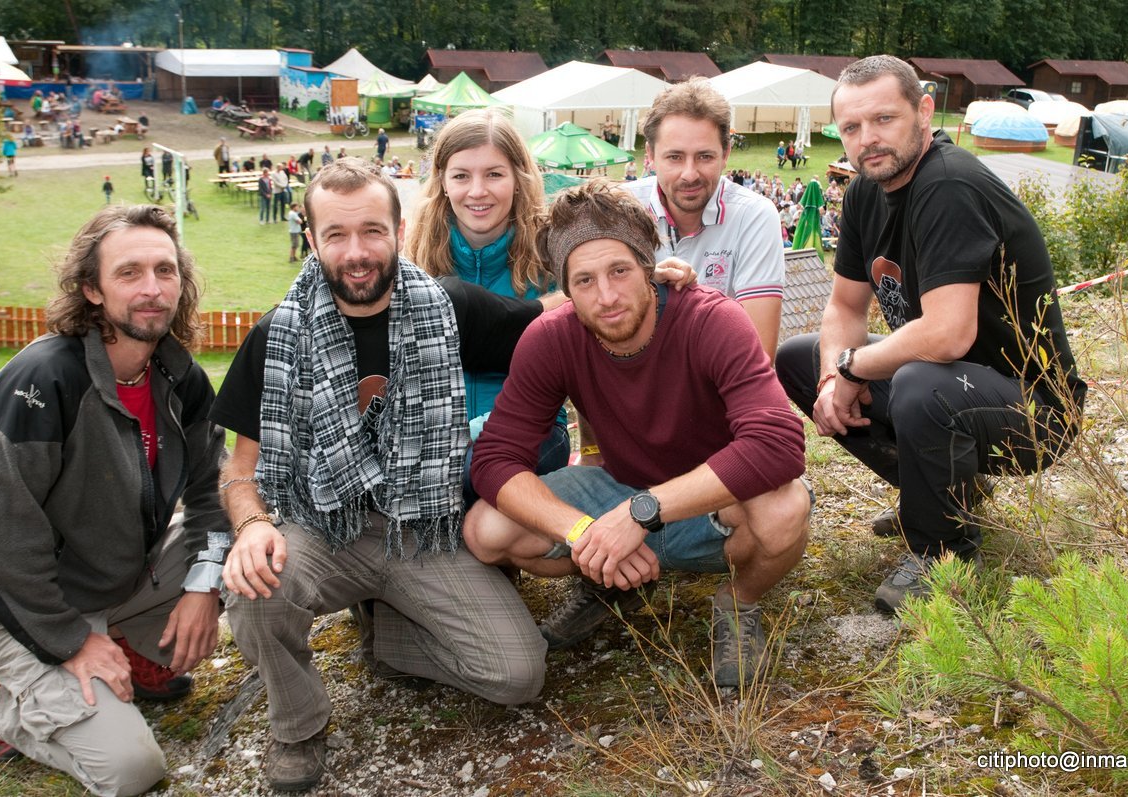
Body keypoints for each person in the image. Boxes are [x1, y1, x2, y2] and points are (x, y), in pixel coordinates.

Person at [210, 159, 546, 792]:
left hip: (423, 527)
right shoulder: (277, 333)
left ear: (399, 230)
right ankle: (298, 725)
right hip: (321, 527)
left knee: (517, 675)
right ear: (312, 239)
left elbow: (550, 325)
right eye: (336, 234)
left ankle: (390, 635)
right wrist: (252, 525)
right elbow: (239, 470)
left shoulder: (448, 307)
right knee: (255, 591)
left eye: (371, 230)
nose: (356, 252)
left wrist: (645, 281)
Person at [464, 180, 812, 688]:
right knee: (486, 529)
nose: (606, 297)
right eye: (584, 280)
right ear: (566, 289)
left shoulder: (712, 318)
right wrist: (583, 533)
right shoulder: (551, 338)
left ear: (648, 266)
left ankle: (739, 603)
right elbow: (495, 459)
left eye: (619, 271)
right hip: (617, 488)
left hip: (711, 504)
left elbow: (778, 443)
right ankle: (611, 579)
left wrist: (639, 513)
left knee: (785, 508)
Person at [775, 55, 1086, 613]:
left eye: (884, 119)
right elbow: (844, 305)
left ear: (923, 111)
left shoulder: (948, 184)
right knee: (799, 357)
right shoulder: (866, 192)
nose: (867, 139)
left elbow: (946, 336)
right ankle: (943, 494)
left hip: (1038, 410)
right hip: (953, 387)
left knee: (919, 382)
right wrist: (830, 377)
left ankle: (945, 552)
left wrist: (851, 368)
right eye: (851, 127)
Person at [0, 205, 230, 794]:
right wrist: (72, 642)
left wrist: (204, 584)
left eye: (165, 270)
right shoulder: (43, 381)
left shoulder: (180, 378)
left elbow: (213, 495)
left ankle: (124, 643)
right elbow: (4, 538)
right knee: (131, 770)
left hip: (115, 577)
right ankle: (6, 702)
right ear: (92, 290)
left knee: (258, 551)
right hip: (21, 606)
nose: (153, 289)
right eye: (129, 273)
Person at [404, 108, 572, 502]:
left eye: (494, 174)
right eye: (461, 176)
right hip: (437, 434)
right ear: (442, 182)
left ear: (518, 179)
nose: (477, 191)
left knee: (462, 472)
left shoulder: (552, 253)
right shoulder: (415, 259)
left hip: (531, 429)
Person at [624, 78, 785, 362]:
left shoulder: (754, 215)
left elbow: (756, 357)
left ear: (726, 154)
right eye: (675, 157)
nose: (690, 174)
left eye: (704, 157)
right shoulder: (620, 208)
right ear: (650, 156)